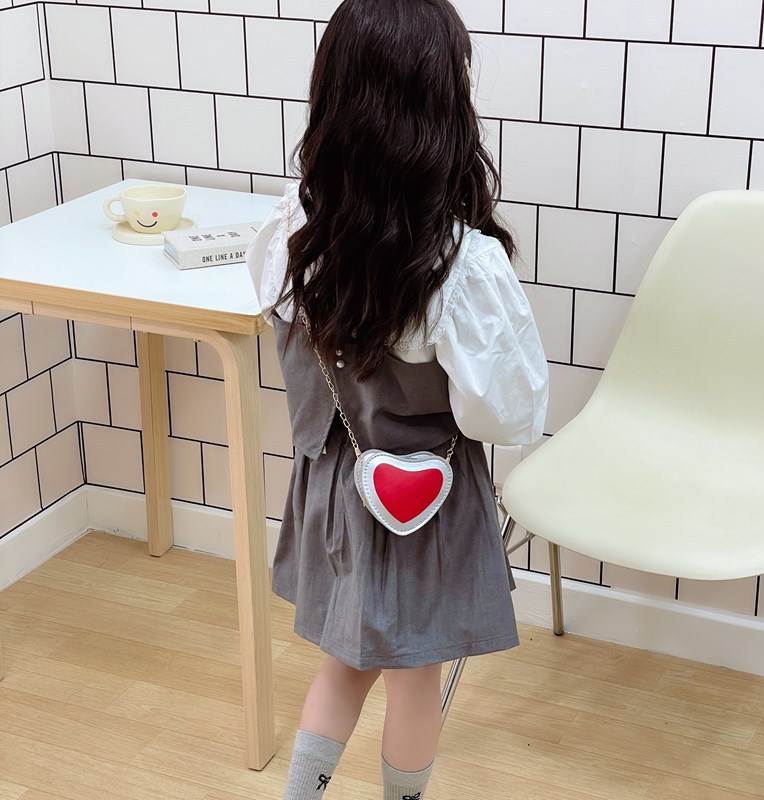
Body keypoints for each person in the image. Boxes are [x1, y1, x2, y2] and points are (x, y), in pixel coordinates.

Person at [246, 1, 548, 797]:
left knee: (345, 662)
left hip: (335, 492)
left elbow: (281, 324)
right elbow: (504, 414)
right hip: (429, 502)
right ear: (441, 106)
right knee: (416, 677)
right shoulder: (462, 264)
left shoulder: (294, 231)